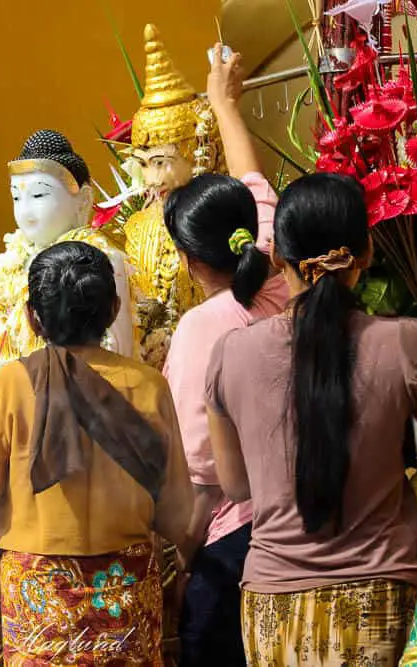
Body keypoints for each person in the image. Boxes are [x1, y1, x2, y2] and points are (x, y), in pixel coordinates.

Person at [205, 173, 417, 665]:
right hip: (380, 597)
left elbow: (235, 486)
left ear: (277, 257)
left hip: (272, 605)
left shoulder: (231, 352)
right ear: (365, 253)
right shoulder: (406, 342)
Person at [0, 241, 193, 666]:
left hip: (40, 600)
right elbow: (176, 515)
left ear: (32, 317)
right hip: (125, 594)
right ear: (114, 309)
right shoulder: (148, 385)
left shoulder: (13, 385)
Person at [161, 43, 289, 666]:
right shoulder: (288, 276)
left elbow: (200, 476)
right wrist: (224, 105)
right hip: (302, 521)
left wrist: (181, 568)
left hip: (234, 540)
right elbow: (257, 188)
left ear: (186, 261)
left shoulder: (199, 330)